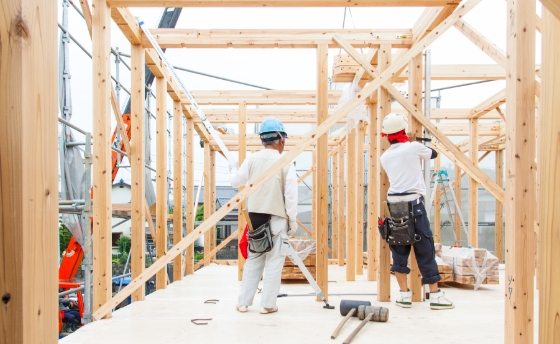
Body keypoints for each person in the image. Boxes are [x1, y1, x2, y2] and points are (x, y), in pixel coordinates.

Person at [379, 113, 454, 310]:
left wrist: (408, 141)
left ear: (387, 136)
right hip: (414, 203)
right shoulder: (413, 147)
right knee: (424, 248)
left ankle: (404, 296)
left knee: (399, 247)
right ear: (403, 131)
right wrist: (413, 140)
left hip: (394, 205)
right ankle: (436, 297)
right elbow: (433, 154)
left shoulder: (384, 157)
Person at [229, 117, 298, 314]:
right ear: (281, 140)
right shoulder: (286, 162)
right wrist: (292, 221)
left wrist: (233, 168)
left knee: (254, 259)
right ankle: (268, 305)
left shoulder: (251, 159)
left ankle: (243, 303)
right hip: (277, 217)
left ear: (263, 140)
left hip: (255, 219)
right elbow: (290, 196)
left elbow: (235, 181)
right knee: (275, 261)